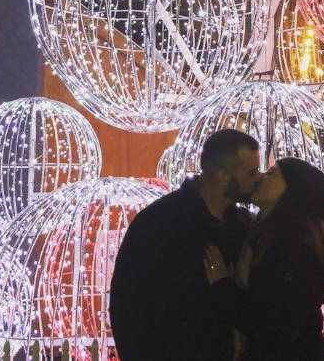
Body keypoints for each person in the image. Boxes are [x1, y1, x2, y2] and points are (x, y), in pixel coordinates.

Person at [110, 129, 262, 360]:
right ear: (222, 176)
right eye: (251, 172)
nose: (258, 178)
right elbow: (127, 306)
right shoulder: (159, 223)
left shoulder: (243, 226)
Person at [204, 157, 324, 361]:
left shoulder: (294, 252)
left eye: (271, 173)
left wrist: (222, 285)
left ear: (291, 191)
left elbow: (269, 325)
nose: (260, 177)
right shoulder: (259, 235)